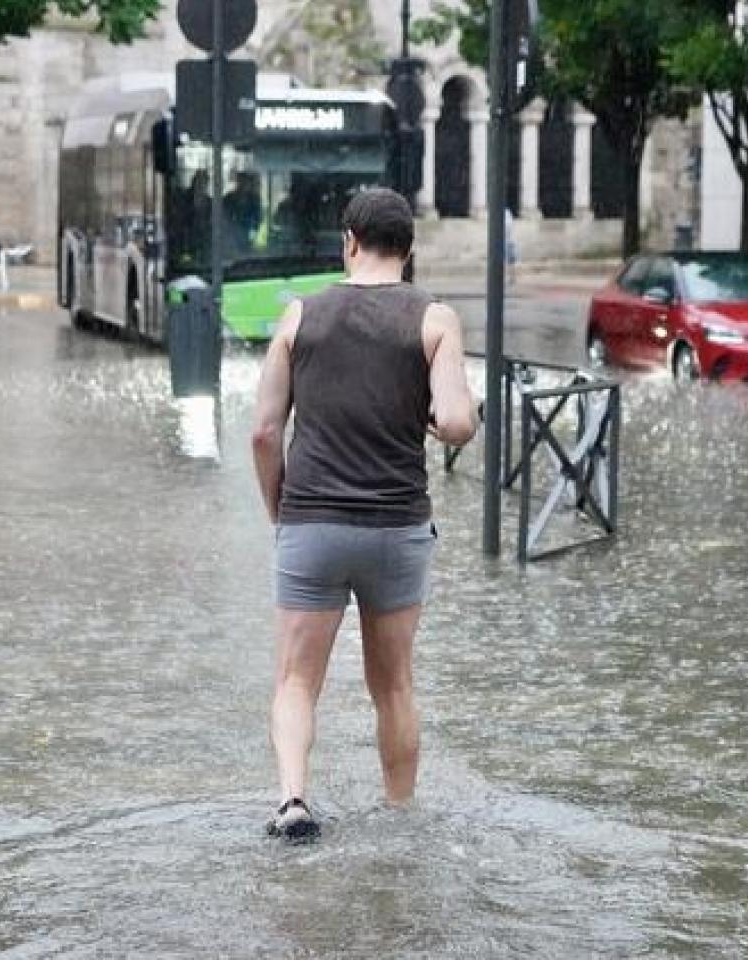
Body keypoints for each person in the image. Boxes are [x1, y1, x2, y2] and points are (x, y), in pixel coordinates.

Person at [249, 188, 478, 841]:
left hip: (312, 522)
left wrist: (281, 510)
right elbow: (459, 422)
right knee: (395, 685)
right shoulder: (434, 319)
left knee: (296, 679)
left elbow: (264, 433)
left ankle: (293, 800)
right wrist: (442, 419)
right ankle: (399, 814)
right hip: (397, 526)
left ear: (349, 240)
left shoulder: (300, 317)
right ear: (408, 251)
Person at [223, 171, 263, 252]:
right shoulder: (228, 199)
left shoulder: (254, 200)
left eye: (246, 182)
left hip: (247, 238)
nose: (243, 185)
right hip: (230, 240)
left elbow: (257, 220)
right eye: (241, 181)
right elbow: (223, 219)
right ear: (237, 182)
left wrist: (252, 234)